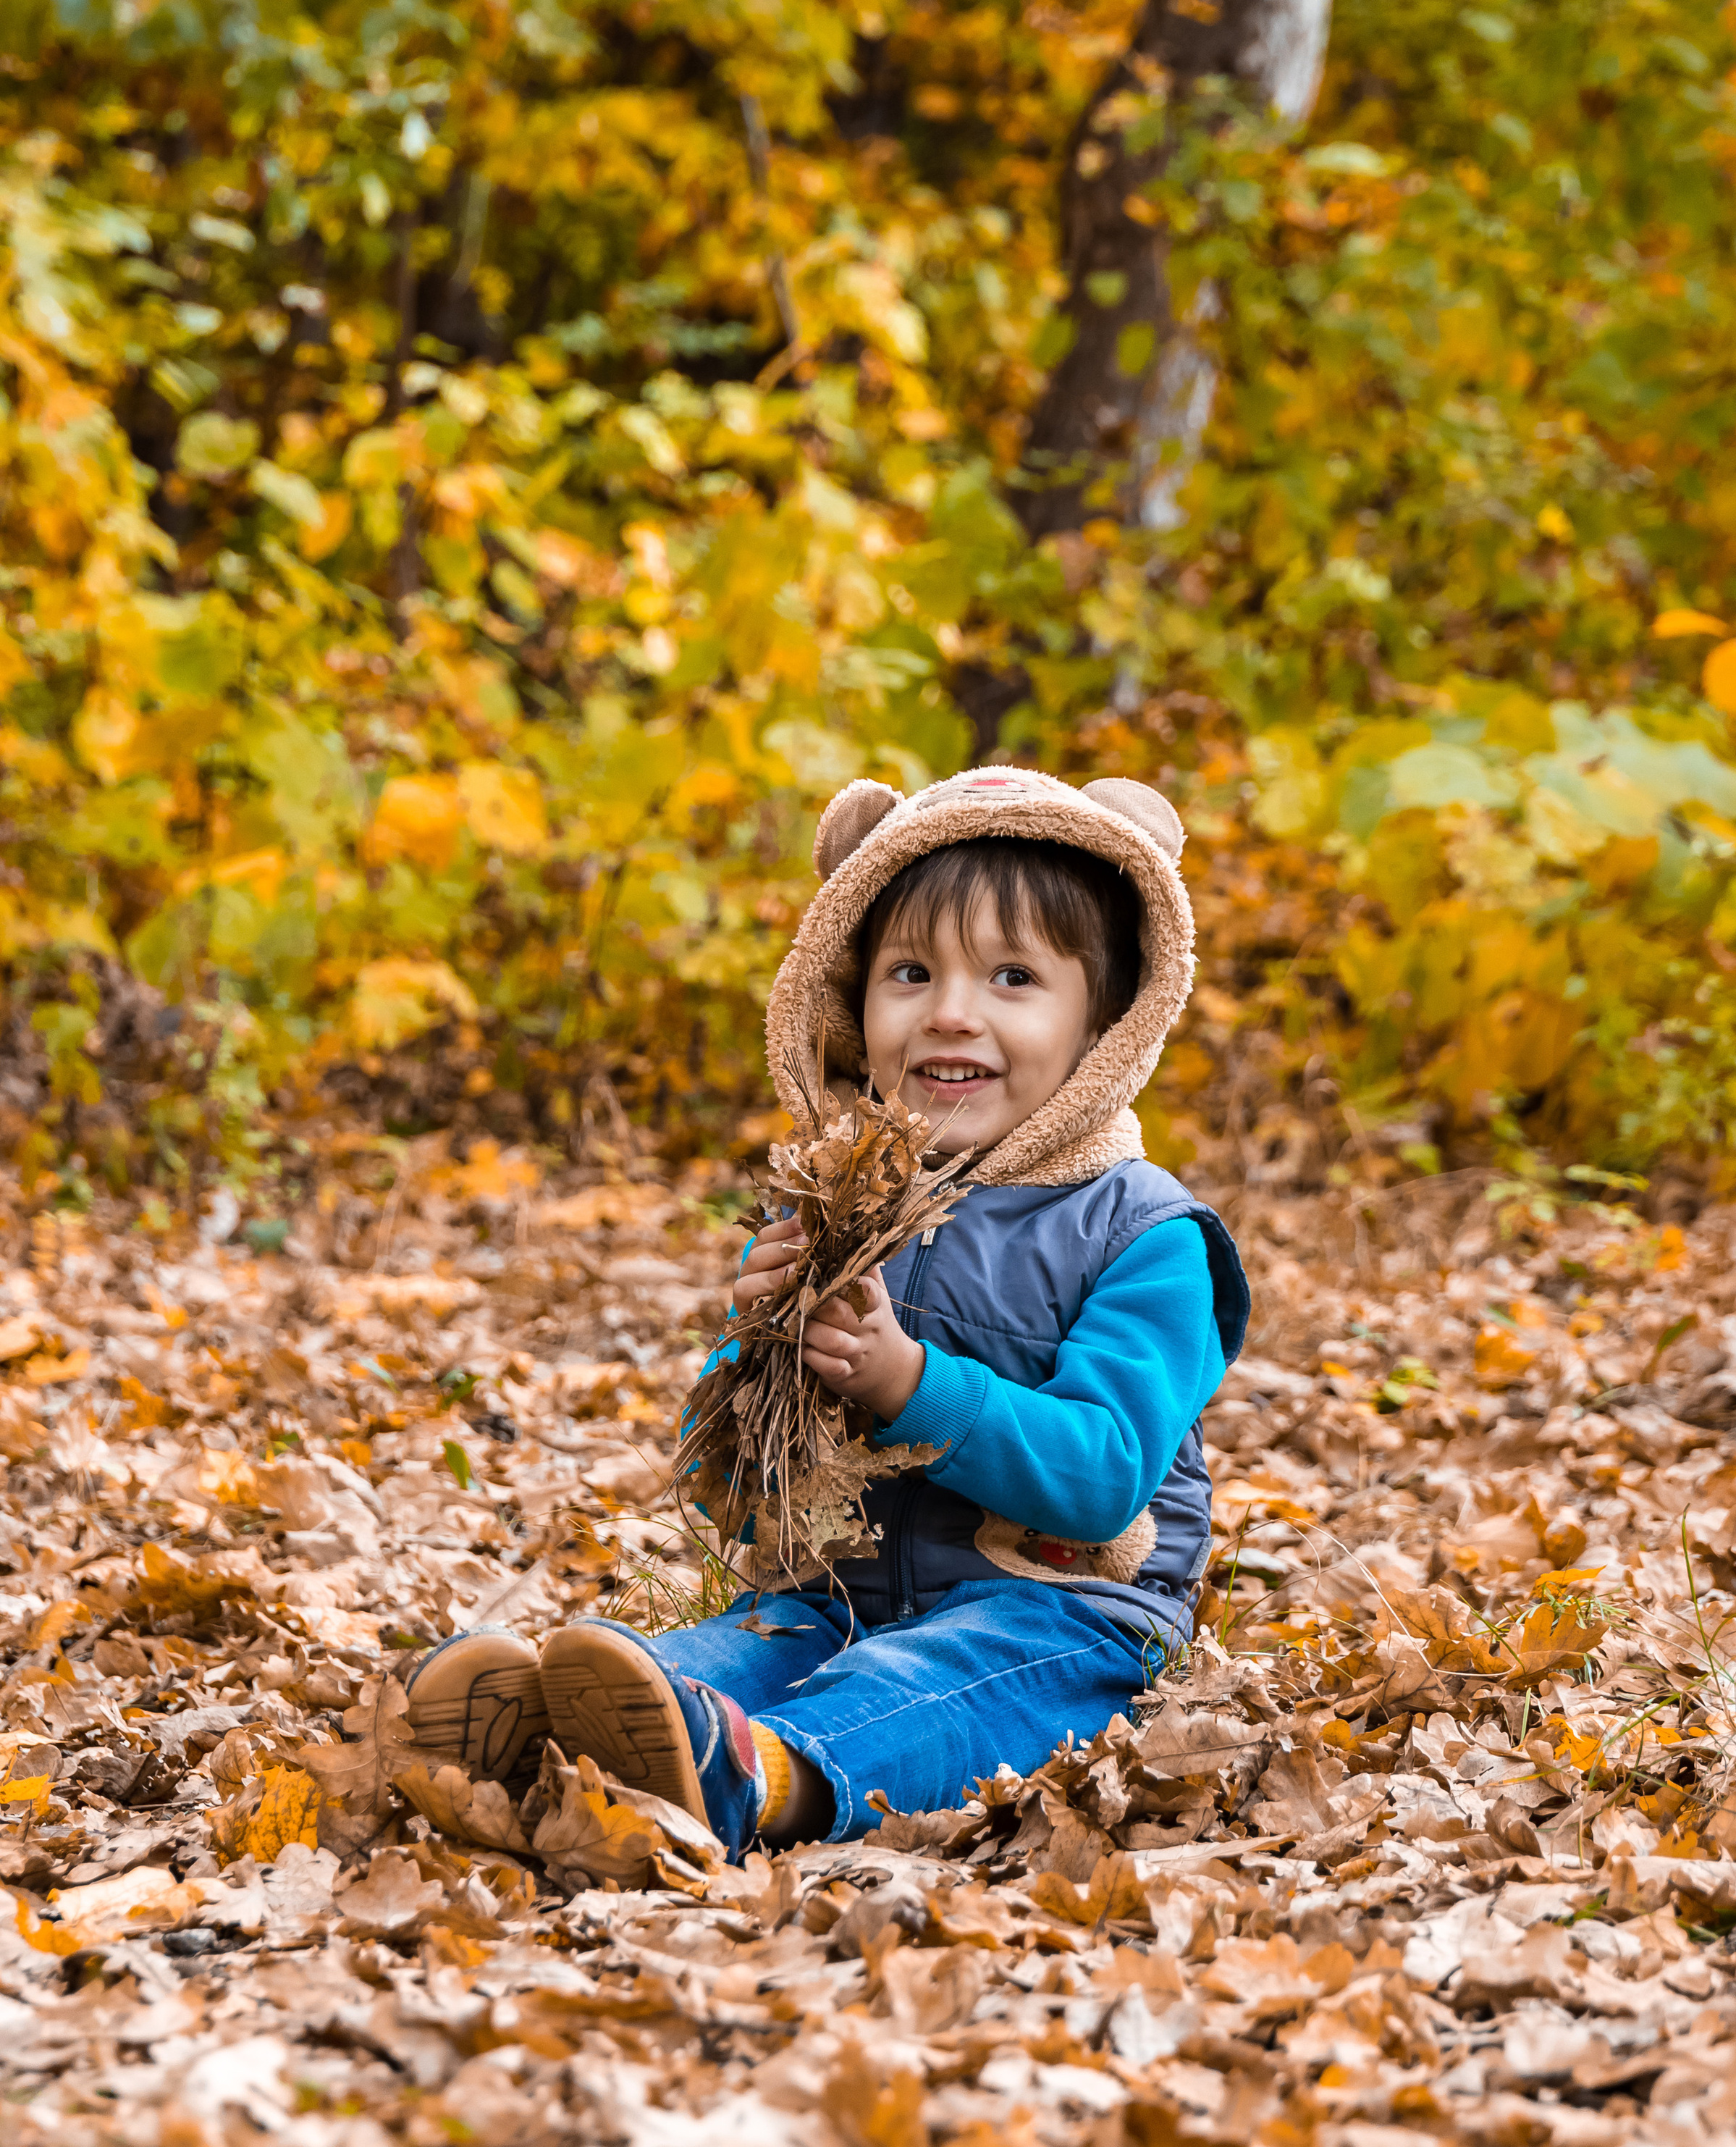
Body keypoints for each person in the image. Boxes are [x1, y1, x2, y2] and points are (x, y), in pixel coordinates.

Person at [405, 767, 1248, 1854]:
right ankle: (551, 1744)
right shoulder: (836, 1209)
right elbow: (735, 1500)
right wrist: (756, 1355)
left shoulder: (1146, 1236)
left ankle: (753, 1782)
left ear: (1106, 1027)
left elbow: (1103, 1478)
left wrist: (908, 1384)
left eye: (1013, 977)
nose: (951, 1013)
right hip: (837, 1594)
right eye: (911, 973)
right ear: (851, 1004)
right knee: (727, 1655)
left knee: (929, 1688)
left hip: (1062, 1616)